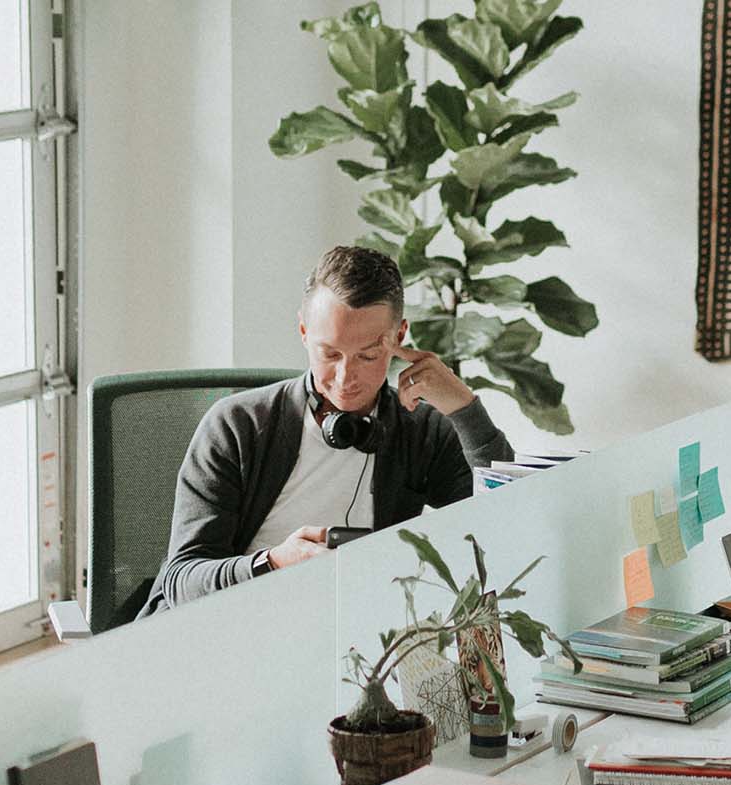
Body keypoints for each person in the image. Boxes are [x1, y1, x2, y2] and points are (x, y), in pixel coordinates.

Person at [137, 245, 512, 618]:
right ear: (303, 330)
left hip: (351, 638)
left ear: (399, 337)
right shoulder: (237, 425)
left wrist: (464, 408)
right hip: (231, 628)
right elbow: (182, 579)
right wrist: (272, 563)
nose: (346, 379)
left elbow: (509, 527)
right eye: (330, 354)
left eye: (367, 355)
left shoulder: (421, 430)